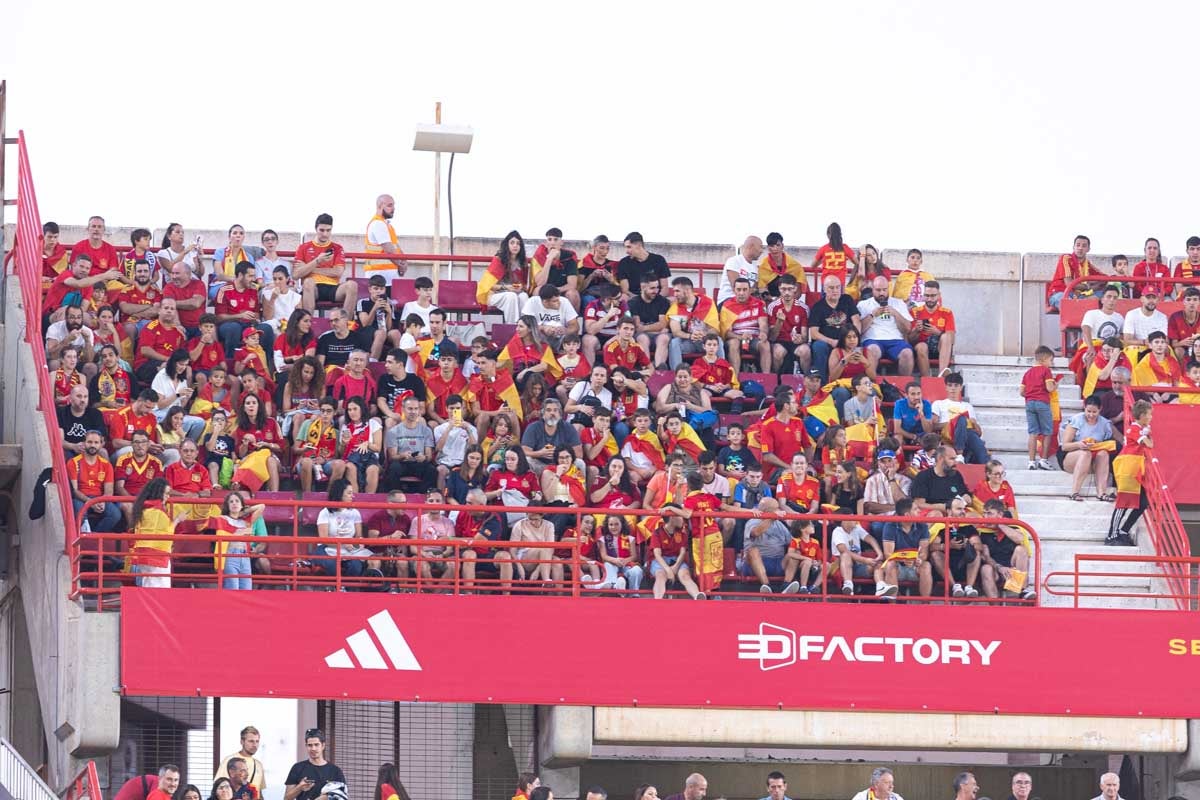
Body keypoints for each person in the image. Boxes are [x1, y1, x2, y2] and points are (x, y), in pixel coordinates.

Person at [294, 214, 357, 317]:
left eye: (328, 230)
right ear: (316, 229)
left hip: (332, 287)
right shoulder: (303, 247)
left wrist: (309, 268)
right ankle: (307, 324)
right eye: (322, 230)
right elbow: (296, 275)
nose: (325, 234)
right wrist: (317, 261)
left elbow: (338, 272)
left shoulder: (337, 248)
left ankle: (347, 326)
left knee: (352, 285)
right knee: (308, 282)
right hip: (312, 288)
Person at [1109, 399, 1153, 546]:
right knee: (1123, 503)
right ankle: (1112, 535)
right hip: (1128, 469)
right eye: (1149, 414)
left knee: (1143, 503)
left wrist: (1146, 433)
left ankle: (1123, 531)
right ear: (1141, 416)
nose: (1151, 417)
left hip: (1136, 470)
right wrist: (1146, 434)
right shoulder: (1134, 429)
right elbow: (1149, 444)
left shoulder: (1138, 429)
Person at [128, 478, 184, 587]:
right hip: (157, 555)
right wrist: (177, 520)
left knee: (147, 584)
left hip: (142, 553)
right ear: (159, 493)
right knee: (161, 587)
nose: (168, 497)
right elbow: (166, 533)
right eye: (166, 493)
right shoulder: (157, 510)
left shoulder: (143, 507)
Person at [1059, 395, 1116, 502]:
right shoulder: (1076, 420)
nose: (1091, 415)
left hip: (1094, 459)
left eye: (1094, 412)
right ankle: (1074, 492)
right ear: (1084, 408)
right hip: (1072, 456)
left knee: (1103, 453)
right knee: (1085, 454)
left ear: (1100, 410)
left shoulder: (1104, 423)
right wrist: (1079, 444)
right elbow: (1064, 446)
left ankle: (1101, 493)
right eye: (1088, 411)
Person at [979, 499, 1035, 600]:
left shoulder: (1012, 527)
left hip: (1013, 570)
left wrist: (1000, 524)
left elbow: (1019, 539)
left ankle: (1021, 590)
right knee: (985, 569)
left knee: (1021, 550)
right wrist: (999, 568)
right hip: (995, 569)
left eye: (989, 513)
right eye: (984, 513)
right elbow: (985, 556)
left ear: (1000, 514)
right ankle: (996, 609)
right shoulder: (981, 531)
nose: (985, 517)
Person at [808, 275, 861, 381]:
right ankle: (822, 384)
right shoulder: (817, 307)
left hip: (847, 341)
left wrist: (854, 338)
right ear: (824, 289)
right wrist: (832, 342)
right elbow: (813, 333)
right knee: (819, 346)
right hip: (827, 343)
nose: (835, 291)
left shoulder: (847, 300)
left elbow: (856, 320)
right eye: (831, 288)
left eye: (837, 287)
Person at [858, 275, 914, 375]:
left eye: (884, 290)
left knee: (907, 353)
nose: (882, 293)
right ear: (872, 290)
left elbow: (908, 328)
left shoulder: (899, 303)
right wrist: (872, 315)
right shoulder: (863, 304)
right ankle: (870, 386)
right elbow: (859, 330)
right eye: (878, 290)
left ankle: (904, 387)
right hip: (872, 339)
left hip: (896, 340)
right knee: (872, 350)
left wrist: (896, 314)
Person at [876, 497, 931, 598]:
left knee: (926, 565)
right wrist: (903, 559)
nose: (919, 511)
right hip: (898, 566)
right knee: (890, 565)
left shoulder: (923, 526)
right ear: (907, 515)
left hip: (915, 565)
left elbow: (924, 552)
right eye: (915, 509)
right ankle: (893, 607)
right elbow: (888, 554)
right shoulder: (890, 526)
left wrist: (919, 559)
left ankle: (925, 604)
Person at [928, 497, 982, 598]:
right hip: (944, 568)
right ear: (949, 511)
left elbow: (979, 546)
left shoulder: (968, 527)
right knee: (935, 554)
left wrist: (969, 545)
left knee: (976, 552)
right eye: (958, 509)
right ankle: (955, 587)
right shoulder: (940, 526)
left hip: (965, 565)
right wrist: (947, 546)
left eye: (963, 509)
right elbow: (931, 547)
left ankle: (969, 587)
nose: (962, 512)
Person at [68, 430, 121, 531]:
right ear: (84, 443)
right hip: (81, 498)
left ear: (101, 445)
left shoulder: (106, 465)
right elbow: (74, 491)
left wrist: (102, 501)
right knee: (79, 510)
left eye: (96, 443)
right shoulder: (73, 463)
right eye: (89, 442)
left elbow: (108, 491)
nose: (93, 445)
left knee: (115, 515)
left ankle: (94, 537)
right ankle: (83, 535)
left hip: (99, 498)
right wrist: (91, 502)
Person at [931, 372, 989, 464]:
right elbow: (934, 426)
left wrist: (973, 424)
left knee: (975, 439)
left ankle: (987, 466)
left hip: (967, 434)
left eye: (956, 385)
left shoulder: (968, 406)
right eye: (950, 385)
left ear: (961, 387)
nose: (953, 388)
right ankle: (959, 454)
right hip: (948, 433)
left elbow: (977, 430)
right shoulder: (938, 404)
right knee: (961, 419)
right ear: (946, 387)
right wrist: (954, 422)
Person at [665, 275, 722, 368]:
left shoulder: (707, 303)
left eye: (677, 291)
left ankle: (720, 372)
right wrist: (690, 336)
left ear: (687, 291)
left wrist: (704, 334)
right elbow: (676, 332)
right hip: (688, 342)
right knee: (674, 342)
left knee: (718, 340)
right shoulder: (675, 307)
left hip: (705, 341)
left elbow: (715, 329)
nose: (674, 294)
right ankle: (677, 374)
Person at [742, 497, 796, 594]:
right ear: (766, 511)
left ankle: (786, 585)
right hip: (756, 564)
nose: (779, 510)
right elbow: (756, 532)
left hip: (778, 562)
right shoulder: (753, 521)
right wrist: (772, 517)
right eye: (775, 509)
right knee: (752, 551)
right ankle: (766, 586)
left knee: (795, 553)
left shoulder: (779, 524)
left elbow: (792, 542)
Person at [1019, 345, 1060, 470]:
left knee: (1033, 433)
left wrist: (1032, 394)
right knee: (1048, 432)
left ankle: (1031, 461)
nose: (1051, 363)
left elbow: (1022, 392)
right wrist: (1055, 384)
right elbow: (1049, 388)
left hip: (1029, 403)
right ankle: (1043, 460)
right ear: (1044, 359)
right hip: (1042, 403)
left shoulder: (1027, 373)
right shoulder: (1046, 371)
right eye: (1050, 360)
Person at [478, 231, 532, 323]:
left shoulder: (523, 262)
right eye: (512, 243)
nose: (515, 246)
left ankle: (525, 327)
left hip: (514, 293)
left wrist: (519, 287)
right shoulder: (499, 260)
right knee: (511, 296)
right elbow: (488, 286)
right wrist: (507, 287)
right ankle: (512, 328)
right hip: (495, 294)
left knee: (524, 296)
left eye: (518, 243)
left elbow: (523, 284)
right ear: (507, 245)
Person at [649, 509, 704, 600]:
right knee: (660, 575)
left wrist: (675, 567)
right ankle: (658, 599)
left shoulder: (682, 533)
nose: (682, 519)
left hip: (677, 560)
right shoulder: (657, 533)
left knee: (685, 575)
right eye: (679, 516)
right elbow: (657, 554)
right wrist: (667, 569)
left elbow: (682, 553)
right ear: (672, 518)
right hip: (660, 560)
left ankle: (697, 595)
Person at [720, 277, 771, 372]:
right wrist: (741, 337)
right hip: (736, 338)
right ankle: (735, 381)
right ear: (733, 290)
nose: (741, 293)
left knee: (765, 344)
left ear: (750, 290)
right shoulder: (727, 306)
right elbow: (726, 333)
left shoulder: (759, 304)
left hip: (754, 338)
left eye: (745, 290)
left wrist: (763, 333)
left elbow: (763, 324)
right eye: (738, 290)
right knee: (733, 343)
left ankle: (766, 379)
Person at [909, 280, 956, 377]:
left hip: (940, 348)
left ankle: (942, 374)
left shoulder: (947, 312)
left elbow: (952, 339)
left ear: (939, 295)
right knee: (922, 346)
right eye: (927, 295)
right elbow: (909, 339)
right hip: (920, 347)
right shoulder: (914, 311)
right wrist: (916, 330)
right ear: (923, 295)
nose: (929, 299)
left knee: (946, 337)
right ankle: (927, 380)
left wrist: (937, 332)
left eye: (933, 296)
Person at [767, 274, 811, 375]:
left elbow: (805, 336)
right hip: (780, 342)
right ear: (779, 289)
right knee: (777, 352)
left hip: (796, 343)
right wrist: (779, 322)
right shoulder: (772, 307)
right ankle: (776, 380)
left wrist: (801, 339)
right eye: (783, 289)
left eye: (790, 289)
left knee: (805, 350)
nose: (787, 293)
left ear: (795, 288)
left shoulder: (803, 308)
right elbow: (772, 337)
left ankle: (807, 380)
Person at [285, 729, 346, 800]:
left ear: (323, 746)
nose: (313, 748)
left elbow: (342, 796)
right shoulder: (297, 768)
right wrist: (299, 787)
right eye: (310, 745)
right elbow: (286, 798)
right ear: (306, 746)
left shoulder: (335, 771)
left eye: (316, 745)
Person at [531, 227, 582, 310]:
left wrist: (556, 290)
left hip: (562, 291)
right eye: (549, 239)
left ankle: (572, 322)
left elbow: (572, 285)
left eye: (555, 240)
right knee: (537, 290)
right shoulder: (539, 257)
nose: (552, 243)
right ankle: (538, 322)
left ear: (561, 242)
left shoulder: (569, 257)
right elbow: (540, 283)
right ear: (546, 243)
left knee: (573, 294)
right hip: (545, 291)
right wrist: (549, 259)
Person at [911, 445, 971, 513]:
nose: (955, 462)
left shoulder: (956, 475)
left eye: (955, 459)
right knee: (936, 514)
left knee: (973, 516)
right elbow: (919, 504)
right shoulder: (923, 476)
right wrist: (943, 507)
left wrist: (966, 497)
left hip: (957, 512)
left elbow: (965, 494)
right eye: (952, 459)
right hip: (933, 514)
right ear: (940, 458)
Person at [1045, 235, 1099, 310]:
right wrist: (1088, 287)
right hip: (1060, 293)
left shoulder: (1087, 264)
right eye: (1078, 245)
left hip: (1079, 296)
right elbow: (1069, 284)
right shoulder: (1066, 258)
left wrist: (1095, 286)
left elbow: (1104, 277)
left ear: (1088, 249)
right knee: (1069, 304)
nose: (1080, 248)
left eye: (1084, 246)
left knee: (1104, 296)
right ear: (1073, 247)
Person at [628, 278, 672, 369]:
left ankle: (659, 370)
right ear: (643, 287)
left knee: (663, 338)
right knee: (642, 338)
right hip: (644, 335)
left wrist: (645, 328)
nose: (656, 291)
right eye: (652, 288)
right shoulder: (633, 302)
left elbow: (662, 324)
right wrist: (657, 329)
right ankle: (647, 370)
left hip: (659, 336)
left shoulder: (663, 301)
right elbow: (638, 327)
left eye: (657, 288)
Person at [617, 231, 671, 300]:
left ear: (639, 245)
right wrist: (642, 300)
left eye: (629, 247)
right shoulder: (624, 263)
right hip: (634, 300)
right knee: (623, 297)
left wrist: (655, 301)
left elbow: (665, 288)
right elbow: (625, 291)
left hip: (656, 299)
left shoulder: (659, 260)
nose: (626, 251)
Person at [812, 222, 859, 298]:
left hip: (826, 282)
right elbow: (857, 262)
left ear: (828, 235)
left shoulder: (823, 249)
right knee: (840, 305)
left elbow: (812, 265)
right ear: (840, 234)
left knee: (825, 306)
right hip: (839, 283)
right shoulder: (845, 248)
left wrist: (823, 260)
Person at [364, 194, 407, 276]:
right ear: (380, 206)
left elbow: (396, 247)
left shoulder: (386, 224)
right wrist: (401, 265)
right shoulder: (378, 224)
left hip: (386, 275)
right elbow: (389, 250)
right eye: (389, 205)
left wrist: (404, 261)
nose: (393, 208)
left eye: (394, 205)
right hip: (379, 275)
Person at [716, 235, 765, 306]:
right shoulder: (734, 261)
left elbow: (755, 287)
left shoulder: (755, 267)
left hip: (747, 301)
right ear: (751, 246)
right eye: (760, 247)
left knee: (763, 310)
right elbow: (736, 288)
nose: (762, 251)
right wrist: (752, 290)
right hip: (728, 300)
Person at [217, 725, 267, 794]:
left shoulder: (258, 765)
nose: (255, 745)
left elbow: (259, 792)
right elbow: (218, 787)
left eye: (257, 741)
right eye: (251, 741)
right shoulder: (228, 760)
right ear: (242, 742)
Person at [163, 261, 208, 335]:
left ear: (188, 274)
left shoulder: (198, 284)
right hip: (180, 326)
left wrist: (172, 303)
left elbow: (195, 303)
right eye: (172, 273)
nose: (174, 276)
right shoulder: (168, 287)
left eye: (177, 273)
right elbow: (171, 310)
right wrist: (177, 325)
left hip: (200, 326)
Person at [262, 265, 303, 337]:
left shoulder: (296, 297)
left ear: (287, 279)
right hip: (273, 328)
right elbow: (267, 318)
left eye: (280, 279)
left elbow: (298, 319)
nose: (277, 282)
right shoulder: (267, 294)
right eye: (274, 279)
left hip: (290, 328)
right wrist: (273, 298)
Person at [1169, 286, 1200, 363]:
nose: (1192, 303)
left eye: (1195, 299)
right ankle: (1182, 374)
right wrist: (1182, 342)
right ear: (1184, 301)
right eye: (1188, 300)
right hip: (1182, 348)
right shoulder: (1175, 317)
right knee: (1178, 350)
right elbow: (1173, 344)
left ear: (1199, 302)